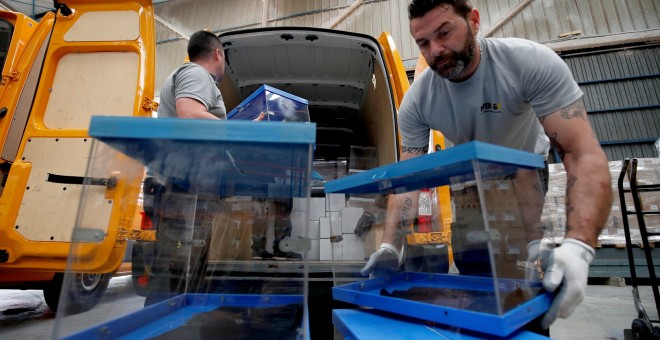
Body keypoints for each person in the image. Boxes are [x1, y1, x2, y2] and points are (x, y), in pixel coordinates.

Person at [360, 0, 612, 331]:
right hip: (470, 178)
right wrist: (390, 243)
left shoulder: (527, 62)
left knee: (523, 273)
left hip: (524, 172)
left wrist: (579, 244)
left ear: (474, 21)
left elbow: (582, 153)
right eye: (423, 43)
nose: (435, 50)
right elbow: (408, 178)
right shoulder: (418, 100)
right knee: (474, 272)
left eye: (444, 33)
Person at [145, 30, 227, 305]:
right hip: (184, 189)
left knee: (178, 263)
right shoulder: (197, 74)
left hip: (181, 186)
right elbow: (190, 113)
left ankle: (169, 321)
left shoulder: (187, 75)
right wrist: (240, 130)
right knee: (177, 265)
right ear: (218, 53)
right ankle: (165, 327)